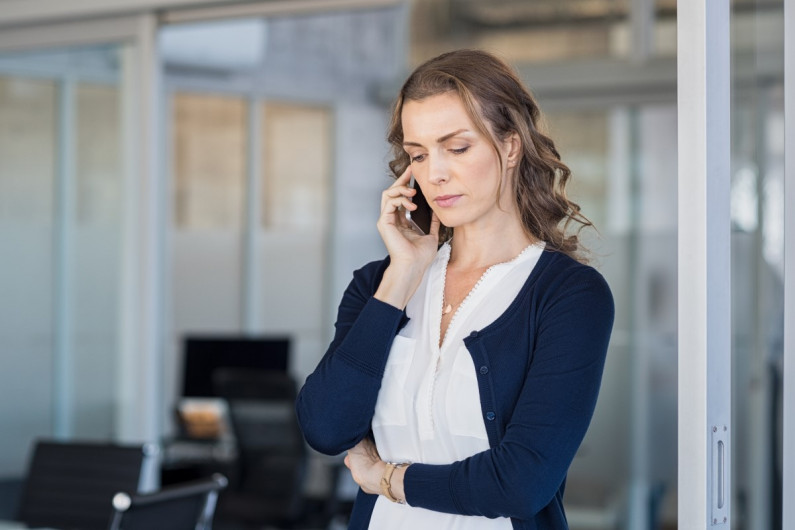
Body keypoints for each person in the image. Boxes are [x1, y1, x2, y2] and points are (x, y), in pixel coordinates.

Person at [296, 49, 614, 530]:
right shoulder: (377, 285)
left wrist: (385, 477)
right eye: (419, 154)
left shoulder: (568, 296)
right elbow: (327, 427)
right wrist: (402, 276)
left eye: (458, 147)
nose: (435, 173)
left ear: (510, 147)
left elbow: (522, 483)